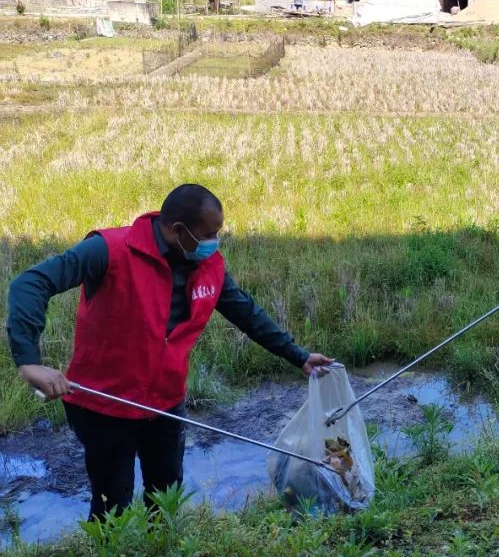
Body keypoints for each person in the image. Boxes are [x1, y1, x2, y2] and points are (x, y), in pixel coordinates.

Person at [8, 184, 335, 520]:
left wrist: (298, 356)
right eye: (209, 233)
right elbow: (30, 284)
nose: (214, 241)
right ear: (179, 230)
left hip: (165, 402)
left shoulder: (210, 266)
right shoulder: (110, 250)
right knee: (112, 506)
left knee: (166, 499)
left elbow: (246, 313)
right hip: (105, 405)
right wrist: (29, 362)